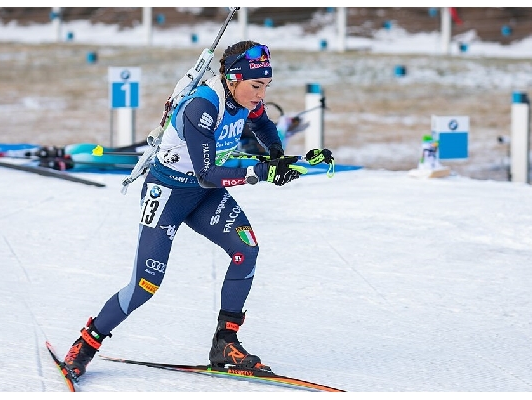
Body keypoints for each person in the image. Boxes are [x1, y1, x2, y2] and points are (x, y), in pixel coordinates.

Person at [62, 40, 331, 381]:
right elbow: (207, 174)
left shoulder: (246, 98)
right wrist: (260, 173)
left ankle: (226, 342)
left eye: (266, 86)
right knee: (146, 283)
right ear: (233, 79)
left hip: (205, 195)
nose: (260, 94)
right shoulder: (203, 105)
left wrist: (277, 157)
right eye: (256, 85)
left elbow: (262, 125)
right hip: (169, 194)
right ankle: (86, 343)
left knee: (245, 250)